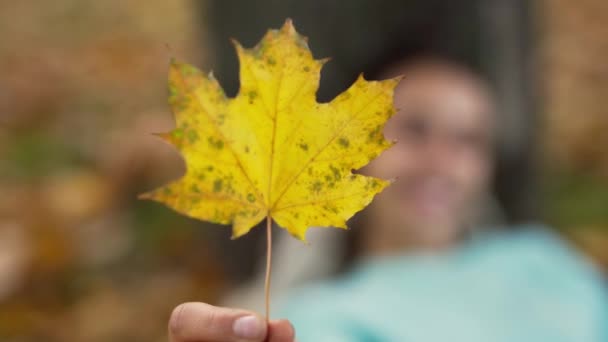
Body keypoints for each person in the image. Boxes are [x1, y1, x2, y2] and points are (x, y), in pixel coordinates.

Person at [167, 58, 608, 342]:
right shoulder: (316, 316)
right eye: (415, 129)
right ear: (351, 153)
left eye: (467, 140)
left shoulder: (539, 256)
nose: (440, 161)